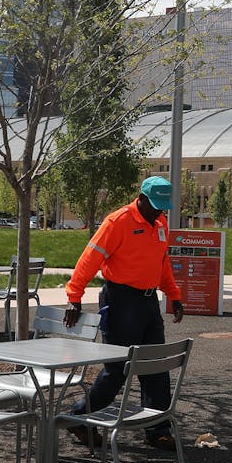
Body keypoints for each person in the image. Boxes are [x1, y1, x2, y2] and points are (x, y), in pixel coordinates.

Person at [64, 176, 185, 449]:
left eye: (163, 207)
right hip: (121, 300)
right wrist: (75, 296)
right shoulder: (118, 222)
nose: (159, 212)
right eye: (155, 206)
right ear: (140, 198)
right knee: (118, 368)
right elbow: (89, 258)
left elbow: (162, 262)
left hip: (148, 300)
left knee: (155, 364)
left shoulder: (160, 223)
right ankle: (78, 418)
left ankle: (157, 429)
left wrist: (174, 294)